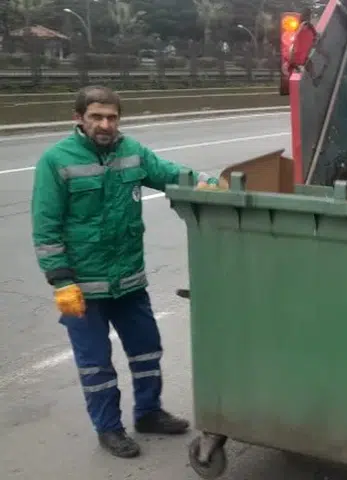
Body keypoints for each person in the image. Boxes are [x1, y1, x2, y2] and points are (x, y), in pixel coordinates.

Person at [30, 85, 220, 459]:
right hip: (83, 286)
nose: (105, 124)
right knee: (96, 364)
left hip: (129, 280)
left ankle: (148, 413)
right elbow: (46, 226)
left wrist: (208, 182)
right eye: (96, 117)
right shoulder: (56, 160)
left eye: (112, 117)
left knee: (147, 349)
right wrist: (61, 280)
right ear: (78, 118)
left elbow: (170, 174)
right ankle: (109, 429)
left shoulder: (132, 152)